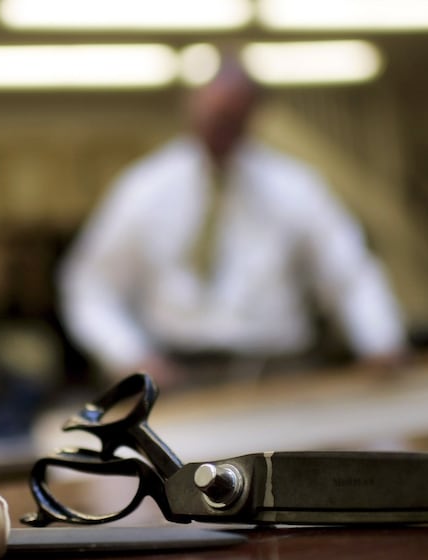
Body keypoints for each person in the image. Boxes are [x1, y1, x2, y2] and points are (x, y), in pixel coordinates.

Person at [59, 54, 406, 388]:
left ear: (254, 114)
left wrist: (379, 341)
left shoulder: (296, 187)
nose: (220, 125)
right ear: (191, 104)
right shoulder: (144, 188)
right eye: (213, 112)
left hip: (279, 375)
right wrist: (128, 354)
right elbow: (90, 285)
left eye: (232, 116)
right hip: (181, 377)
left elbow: (349, 272)